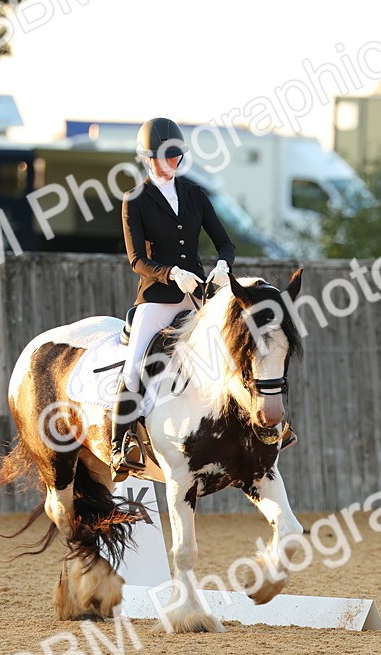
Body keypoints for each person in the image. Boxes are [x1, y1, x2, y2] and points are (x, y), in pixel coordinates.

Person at [110, 117, 236, 480]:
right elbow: (136, 260)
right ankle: (122, 444)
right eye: (163, 157)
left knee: (235, 347)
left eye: (175, 156)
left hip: (197, 294)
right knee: (135, 365)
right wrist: (171, 273)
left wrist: (223, 265)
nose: (170, 163)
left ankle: (258, 428)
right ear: (147, 159)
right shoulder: (135, 199)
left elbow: (224, 241)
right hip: (158, 298)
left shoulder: (195, 194)